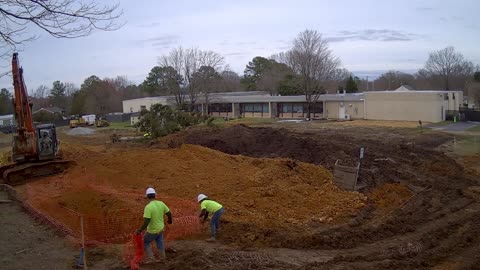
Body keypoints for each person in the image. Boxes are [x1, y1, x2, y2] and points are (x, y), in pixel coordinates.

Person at [136, 187, 172, 263]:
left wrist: (140, 230)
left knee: (145, 242)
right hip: (161, 228)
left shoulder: (148, 207)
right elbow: (169, 213)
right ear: (155, 195)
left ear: (147, 197)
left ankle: (151, 259)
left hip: (152, 231)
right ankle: (163, 258)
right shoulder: (161, 203)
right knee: (159, 242)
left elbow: (146, 221)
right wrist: (169, 220)